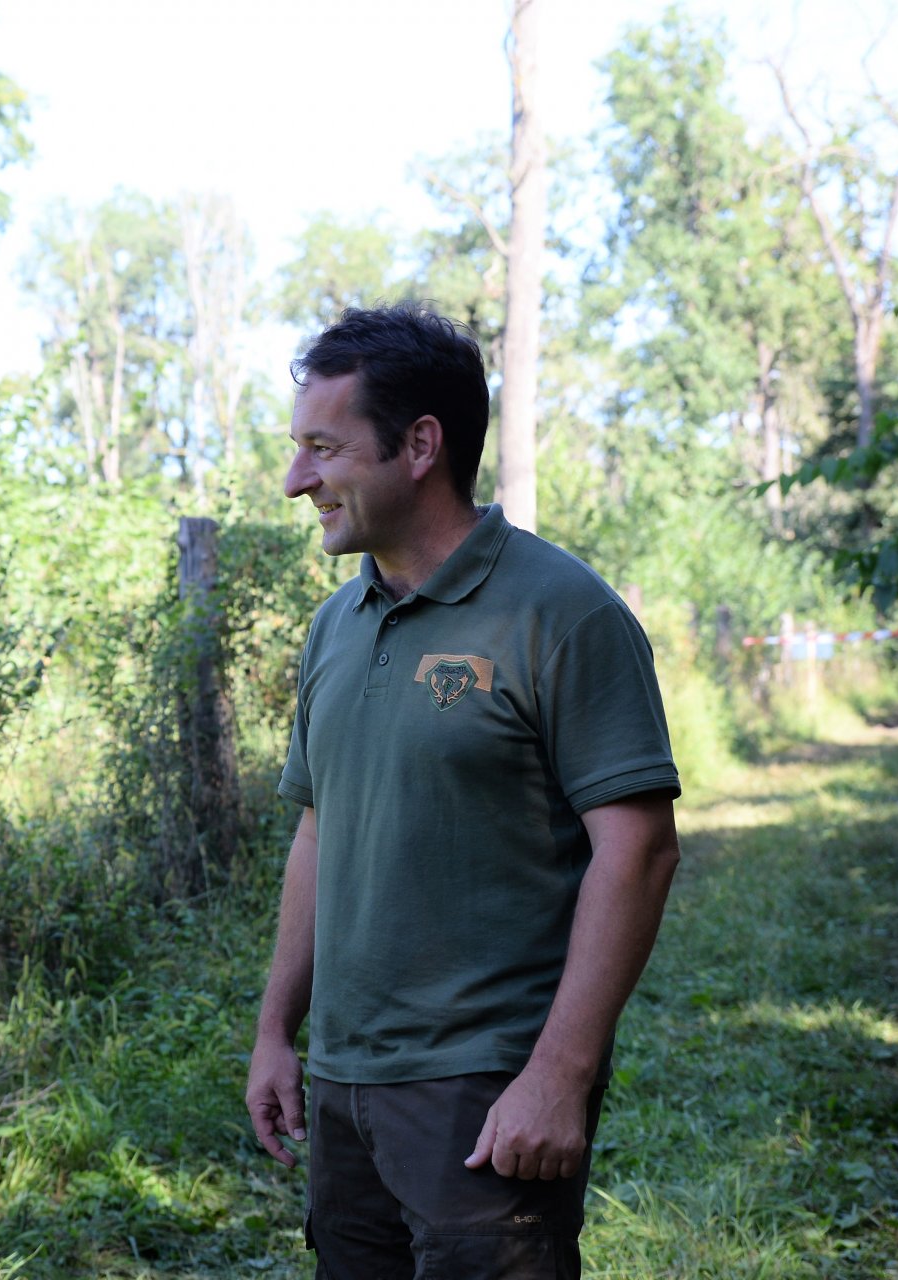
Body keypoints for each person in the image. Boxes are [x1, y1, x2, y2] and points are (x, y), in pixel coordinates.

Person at [244, 304, 682, 1279]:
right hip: (346, 1084)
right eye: (295, 447)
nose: (295, 479)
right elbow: (320, 829)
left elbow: (640, 850)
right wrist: (279, 1029)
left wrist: (559, 1076)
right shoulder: (336, 625)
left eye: (323, 446)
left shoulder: (562, 611)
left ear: (421, 445)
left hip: (487, 1089)